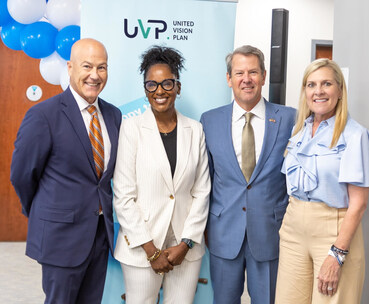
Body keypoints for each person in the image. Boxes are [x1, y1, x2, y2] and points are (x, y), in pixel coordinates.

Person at [10, 38, 122, 304]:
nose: (95, 75)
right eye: (87, 66)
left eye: (102, 67)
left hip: (100, 235)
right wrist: (42, 213)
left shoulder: (113, 115)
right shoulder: (43, 115)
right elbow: (22, 175)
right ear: (70, 67)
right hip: (60, 237)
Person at [275, 58, 369, 304]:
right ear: (305, 91)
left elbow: (358, 204)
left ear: (340, 90)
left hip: (333, 233)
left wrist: (337, 254)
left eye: (326, 84)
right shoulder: (299, 133)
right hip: (292, 230)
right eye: (311, 85)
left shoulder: (355, 135)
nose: (318, 91)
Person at [112, 45, 210, 304]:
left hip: (185, 248)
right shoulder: (131, 128)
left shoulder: (196, 130)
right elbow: (123, 195)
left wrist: (185, 244)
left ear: (178, 86)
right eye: (151, 85)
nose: (159, 91)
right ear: (145, 90)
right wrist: (151, 251)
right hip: (141, 246)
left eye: (167, 83)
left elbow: (201, 192)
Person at [200, 45, 296, 304]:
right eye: (239, 72)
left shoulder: (289, 119)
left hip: (270, 232)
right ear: (229, 79)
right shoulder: (209, 121)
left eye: (253, 72)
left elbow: (294, 179)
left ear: (264, 76)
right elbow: (204, 180)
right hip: (223, 233)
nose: (247, 79)